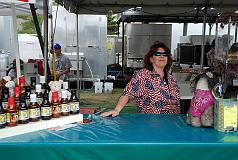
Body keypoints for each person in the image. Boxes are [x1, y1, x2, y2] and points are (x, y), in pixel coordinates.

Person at [101, 41, 180, 117]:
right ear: (151, 59)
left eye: (165, 54)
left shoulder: (170, 78)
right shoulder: (142, 75)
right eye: (158, 54)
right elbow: (128, 93)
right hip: (150, 123)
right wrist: (117, 110)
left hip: (173, 122)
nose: (162, 56)